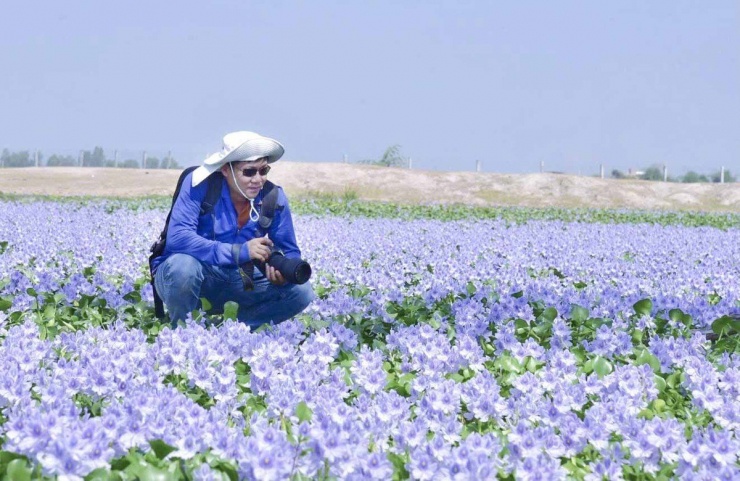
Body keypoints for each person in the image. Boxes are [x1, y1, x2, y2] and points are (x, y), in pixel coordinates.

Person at [151, 131, 314, 328]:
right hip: (195, 274)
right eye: (249, 172)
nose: (258, 179)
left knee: (301, 291)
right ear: (225, 170)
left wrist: (281, 270)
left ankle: (233, 331)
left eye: (264, 171)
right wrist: (239, 251)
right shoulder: (199, 184)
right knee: (183, 267)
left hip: (241, 278)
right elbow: (178, 238)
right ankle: (182, 333)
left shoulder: (273, 197)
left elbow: (290, 250)